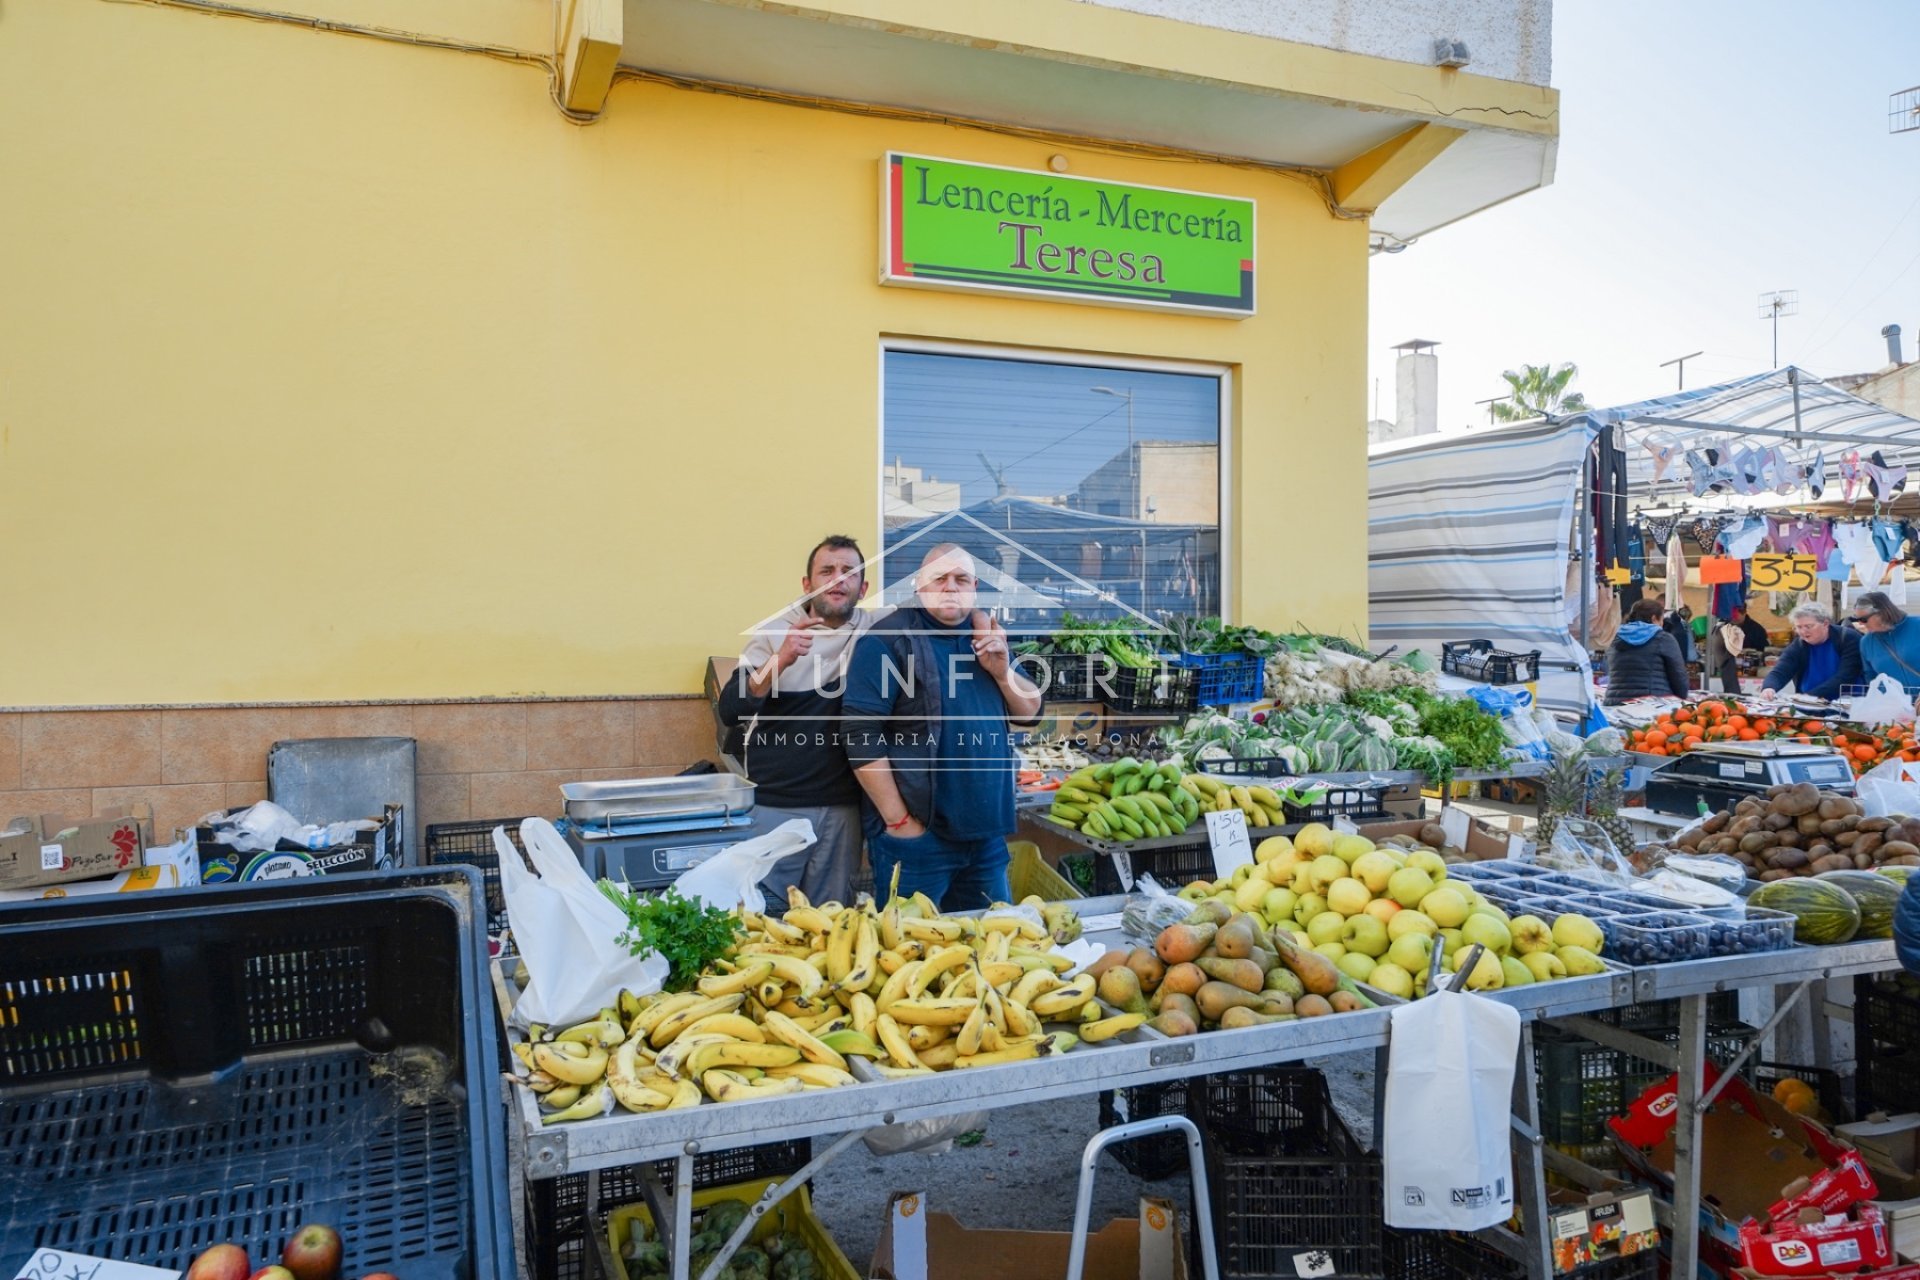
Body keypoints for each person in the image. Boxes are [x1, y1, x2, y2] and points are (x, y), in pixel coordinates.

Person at [841, 543, 1044, 910]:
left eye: (961, 579)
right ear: (919, 587)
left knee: (993, 949)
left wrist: (1002, 672)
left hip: (986, 836)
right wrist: (899, 820)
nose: (950, 587)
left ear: (974, 588)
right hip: (919, 839)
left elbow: (1031, 711)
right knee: (910, 953)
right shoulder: (887, 641)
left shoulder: (988, 638)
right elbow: (859, 735)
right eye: (940, 578)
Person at [717, 535, 884, 906]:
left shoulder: (873, 630)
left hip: (843, 810)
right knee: (765, 911)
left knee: (831, 918)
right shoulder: (776, 633)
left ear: (863, 587)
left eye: (848, 572)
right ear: (807, 584)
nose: (837, 580)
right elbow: (730, 708)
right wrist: (781, 660)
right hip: (776, 806)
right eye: (826, 571)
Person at [1758, 602, 1862, 701]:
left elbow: (1846, 675)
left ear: (1825, 623)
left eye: (1808, 626)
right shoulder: (1798, 644)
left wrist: (1809, 696)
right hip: (1810, 705)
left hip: (1846, 704)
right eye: (1799, 627)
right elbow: (1781, 671)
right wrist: (1769, 688)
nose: (1803, 632)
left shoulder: (1848, 638)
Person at [1604, 598, 1690, 704]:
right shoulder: (1663, 638)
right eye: (1661, 620)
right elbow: (1678, 675)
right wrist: (1682, 698)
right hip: (1652, 704)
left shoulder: (1614, 636)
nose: (1662, 624)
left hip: (1614, 704)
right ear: (1654, 618)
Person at [1851, 591, 1920, 695]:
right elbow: (1871, 677)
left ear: (1881, 613)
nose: (1860, 623)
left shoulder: (1917, 626)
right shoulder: (1866, 642)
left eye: (1863, 619)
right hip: (1895, 707)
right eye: (1857, 619)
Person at [1705, 605, 1769, 695]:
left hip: (1751, 672)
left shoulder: (1757, 629)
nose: (1735, 617)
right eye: (1732, 614)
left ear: (1745, 612)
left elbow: (1764, 652)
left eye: (1738, 613)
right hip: (1727, 670)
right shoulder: (1723, 627)